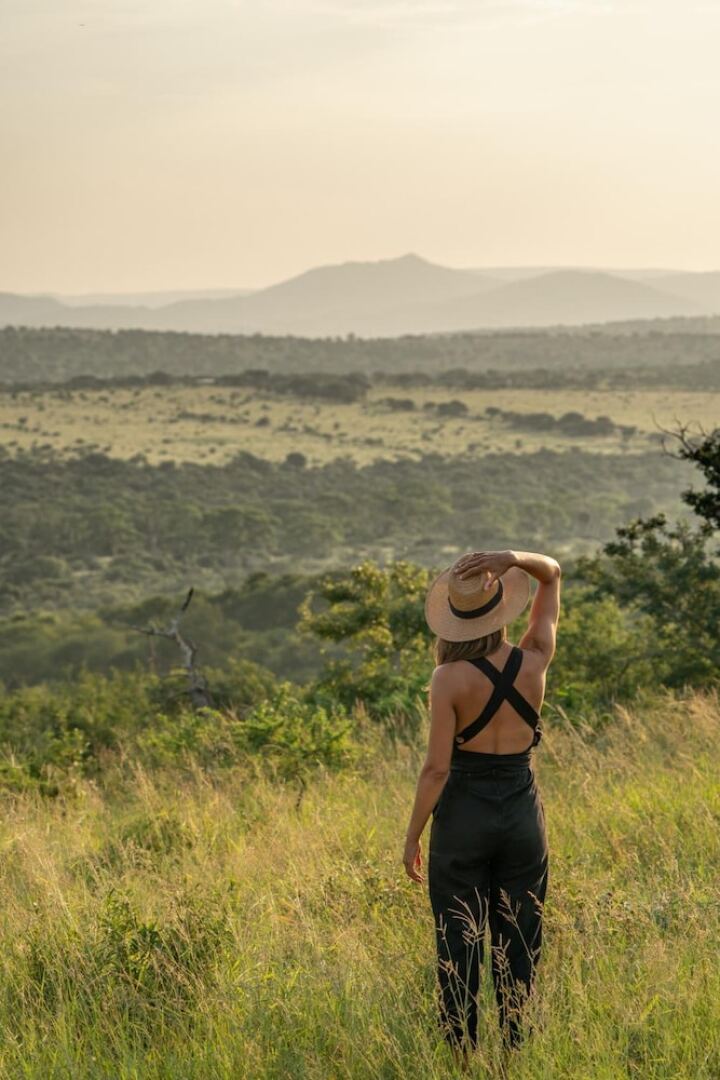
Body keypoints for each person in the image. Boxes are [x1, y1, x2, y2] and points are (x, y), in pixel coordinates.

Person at [402, 548, 561, 1066]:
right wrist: (511, 557)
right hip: (520, 816)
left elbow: (436, 770)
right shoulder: (535, 660)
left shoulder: (447, 679)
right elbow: (552, 574)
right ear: (502, 609)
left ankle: (463, 1061)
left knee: (457, 941)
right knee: (520, 943)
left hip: (464, 817)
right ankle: (514, 1060)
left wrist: (412, 837)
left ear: (453, 620)